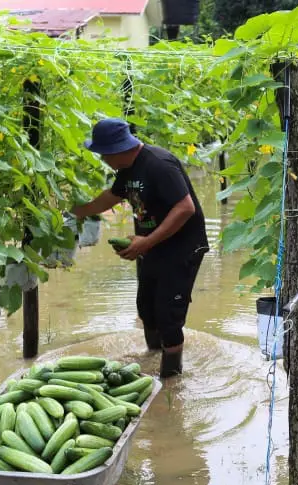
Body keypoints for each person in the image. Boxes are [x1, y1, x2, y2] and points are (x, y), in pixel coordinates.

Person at [70, 117, 209, 378]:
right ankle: (150, 363)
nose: (102, 159)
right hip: (153, 246)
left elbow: (186, 208)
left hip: (181, 248)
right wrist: (78, 211)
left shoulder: (159, 164)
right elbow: (112, 196)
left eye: (103, 154)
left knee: (168, 316)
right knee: (146, 307)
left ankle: (170, 381)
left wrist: (146, 241)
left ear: (116, 150)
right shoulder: (127, 169)